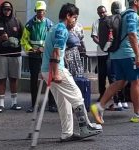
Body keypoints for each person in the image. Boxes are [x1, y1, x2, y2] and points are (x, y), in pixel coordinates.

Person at [41, 3, 102, 142]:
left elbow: (48, 50)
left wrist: (46, 71)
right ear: (68, 16)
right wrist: (56, 73)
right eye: (74, 18)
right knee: (77, 96)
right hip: (56, 70)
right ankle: (85, 127)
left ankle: (67, 133)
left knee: (64, 103)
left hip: (47, 69)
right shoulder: (62, 29)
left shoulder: (54, 28)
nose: (75, 21)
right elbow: (56, 52)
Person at [91, 0, 139, 124]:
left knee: (120, 82)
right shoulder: (131, 15)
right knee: (136, 80)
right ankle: (137, 113)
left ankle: (99, 107)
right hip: (127, 54)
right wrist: (138, 56)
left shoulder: (123, 14)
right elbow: (132, 35)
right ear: (135, 2)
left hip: (116, 54)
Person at [21, 0, 53, 113]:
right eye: (39, 11)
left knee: (50, 79)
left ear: (45, 11)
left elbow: (51, 39)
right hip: (34, 56)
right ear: (35, 11)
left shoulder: (49, 24)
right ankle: (34, 105)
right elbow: (24, 40)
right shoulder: (29, 24)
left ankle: (52, 105)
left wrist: (43, 48)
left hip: (46, 55)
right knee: (34, 80)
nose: (40, 13)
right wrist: (31, 49)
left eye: (42, 11)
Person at [0, 1, 23, 113]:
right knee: (1, 79)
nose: (7, 11)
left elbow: (24, 38)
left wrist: (17, 42)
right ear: (2, 10)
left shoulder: (17, 22)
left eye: (9, 9)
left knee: (13, 79)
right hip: (0, 55)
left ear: (12, 10)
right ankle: (1, 105)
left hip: (15, 55)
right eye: (5, 9)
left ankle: (14, 103)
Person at [106, 1, 128, 111]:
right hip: (125, 52)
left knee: (113, 77)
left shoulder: (109, 20)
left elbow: (108, 37)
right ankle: (123, 101)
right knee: (122, 78)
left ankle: (116, 101)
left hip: (113, 53)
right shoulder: (125, 18)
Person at [91, 6, 109, 101]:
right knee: (101, 75)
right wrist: (102, 44)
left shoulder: (110, 21)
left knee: (112, 75)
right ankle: (102, 94)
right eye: (100, 13)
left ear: (106, 11)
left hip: (111, 53)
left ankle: (115, 97)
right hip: (101, 53)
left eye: (103, 12)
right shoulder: (96, 23)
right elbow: (94, 37)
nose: (102, 14)